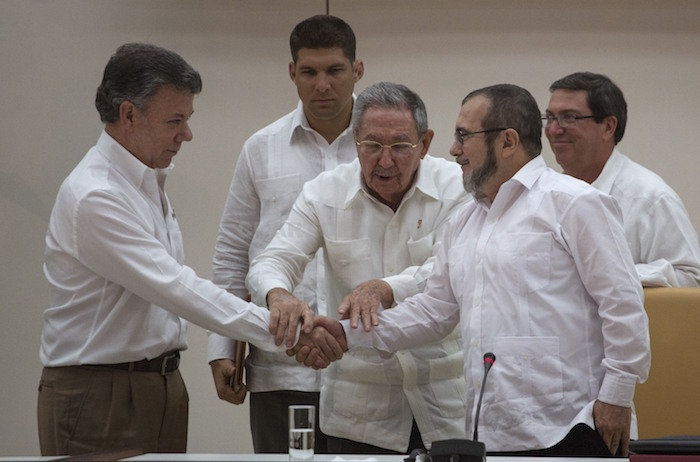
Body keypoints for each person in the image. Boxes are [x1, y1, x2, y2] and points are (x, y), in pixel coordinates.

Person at [295, 83, 652, 456]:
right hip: (491, 430)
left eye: (464, 136)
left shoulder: (576, 204)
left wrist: (617, 395)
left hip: (574, 426)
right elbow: (434, 312)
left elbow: (623, 305)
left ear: (508, 142)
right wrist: (345, 334)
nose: (454, 150)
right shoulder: (464, 222)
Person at [37, 42, 323, 457]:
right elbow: (178, 288)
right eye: (175, 120)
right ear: (129, 114)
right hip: (101, 393)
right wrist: (286, 333)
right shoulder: (95, 195)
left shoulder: (147, 180)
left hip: (159, 383)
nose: (186, 134)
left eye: (187, 119)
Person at [247, 81, 471, 455]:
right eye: (371, 146)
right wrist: (279, 293)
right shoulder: (324, 192)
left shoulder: (457, 189)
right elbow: (273, 259)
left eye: (400, 146)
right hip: (359, 414)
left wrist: (383, 288)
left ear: (426, 143)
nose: (385, 161)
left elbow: (448, 272)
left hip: (446, 406)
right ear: (355, 141)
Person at [206, 14, 364, 454]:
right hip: (281, 364)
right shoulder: (262, 147)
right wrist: (223, 346)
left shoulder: (382, 148)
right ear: (292, 73)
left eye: (335, 70)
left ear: (358, 70)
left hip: (367, 367)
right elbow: (234, 252)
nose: (323, 85)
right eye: (309, 72)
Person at [544, 71, 700, 287]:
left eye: (569, 117)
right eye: (550, 117)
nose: (553, 129)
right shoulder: (544, 196)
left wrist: (609, 274)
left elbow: (692, 278)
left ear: (608, 127)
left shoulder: (650, 199)